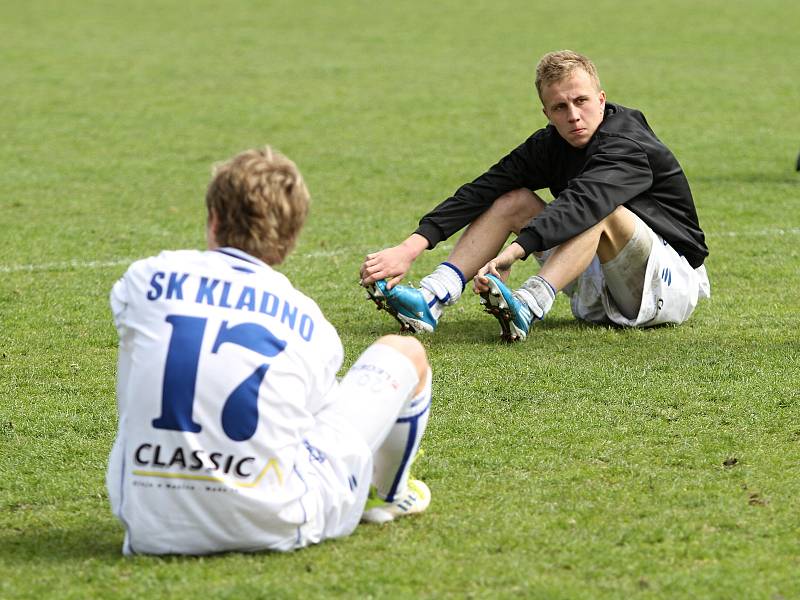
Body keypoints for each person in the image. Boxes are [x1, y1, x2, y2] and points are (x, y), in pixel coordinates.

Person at [106, 147, 433, 556]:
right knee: (404, 351)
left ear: (214, 219)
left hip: (151, 524)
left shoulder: (145, 279)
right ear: (290, 241)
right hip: (273, 523)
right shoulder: (309, 322)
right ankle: (387, 495)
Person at [360, 50, 710, 341]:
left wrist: (513, 253)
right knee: (511, 199)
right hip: (599, 284)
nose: (573, 115)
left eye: (581, 101)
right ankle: (431, 298)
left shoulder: (627, 146)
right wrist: (410, 247)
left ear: (601, 99)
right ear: (547, 112)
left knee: (602, 210)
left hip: (667, 285)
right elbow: (484, 187)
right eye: (560, 107)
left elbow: (583, 203)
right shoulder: (550, 145)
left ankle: (527, 305)